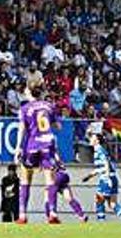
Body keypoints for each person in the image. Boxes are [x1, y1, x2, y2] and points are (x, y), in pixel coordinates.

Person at [13, 89, 61, 224]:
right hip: (47, 144)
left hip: (32, 145)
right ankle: (52, 213)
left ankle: (22, 215)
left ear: (29, 93)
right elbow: (58, 126)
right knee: (50, 179)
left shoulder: (25, 108)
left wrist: (18, 148)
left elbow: (21, 129)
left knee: (26, 178)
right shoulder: (49, 106)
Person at [82, 130, 121, 224]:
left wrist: (106, 177)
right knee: (112, 204)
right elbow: (103, 167)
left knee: (99, 199)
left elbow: (105, 164)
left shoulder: (98, 150)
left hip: (107, 178)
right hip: (113, 178)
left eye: (92, 137)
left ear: (97, 140)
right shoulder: (101, 150)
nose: (90, 139)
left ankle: (101, 220)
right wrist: (89, 176)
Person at [45, 155, 87, 223]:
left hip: (56, 177)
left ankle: (51, 216)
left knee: (48, 197)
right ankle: (81, 215)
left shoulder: (46, 156)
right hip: (64, 176)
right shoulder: (56, 155)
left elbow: (50, 168)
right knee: (69, 198)